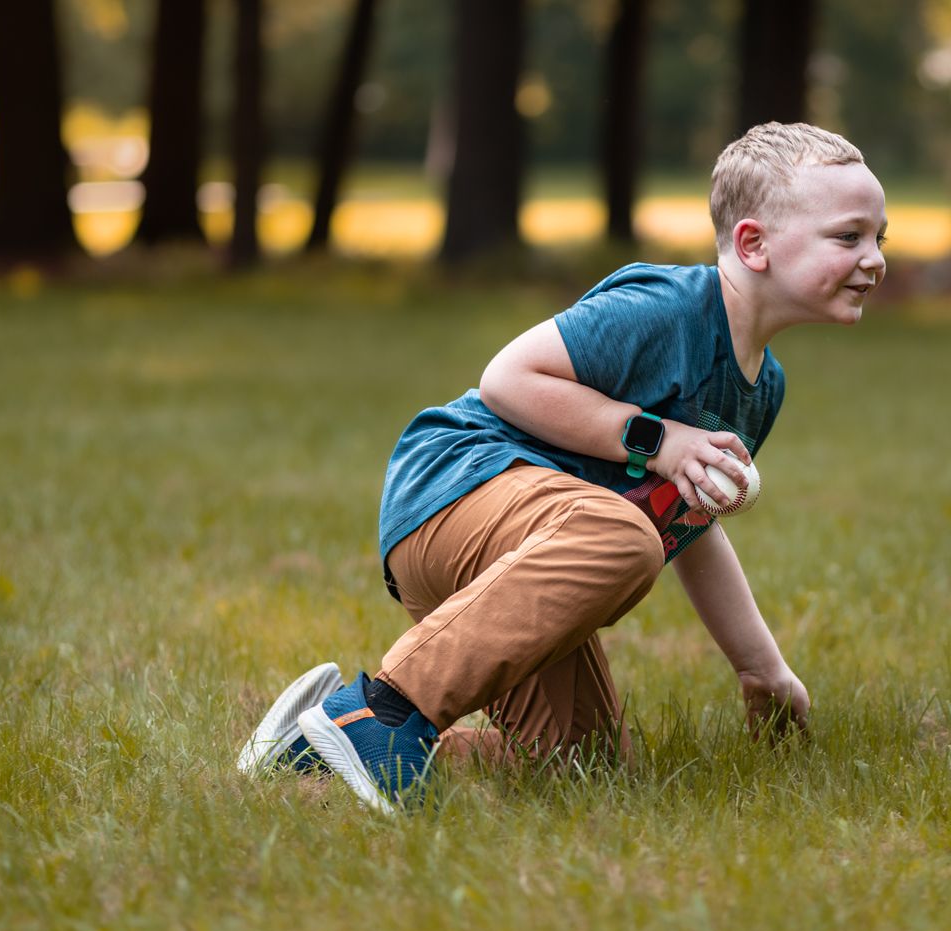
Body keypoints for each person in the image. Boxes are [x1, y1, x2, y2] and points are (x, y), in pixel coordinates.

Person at [238, 122, 888, 814]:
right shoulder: (666, 311)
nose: (874, 259)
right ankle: (377, 714)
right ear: (754, 244)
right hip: (456, 491)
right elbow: (508, 377)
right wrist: (657, 438)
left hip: (525, 563)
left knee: (583, 767)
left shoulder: (764, 388)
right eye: (848, 237)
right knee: (624, 537)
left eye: (881, 237)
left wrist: (763, 668)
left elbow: (691, 525)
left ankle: (305, 754)